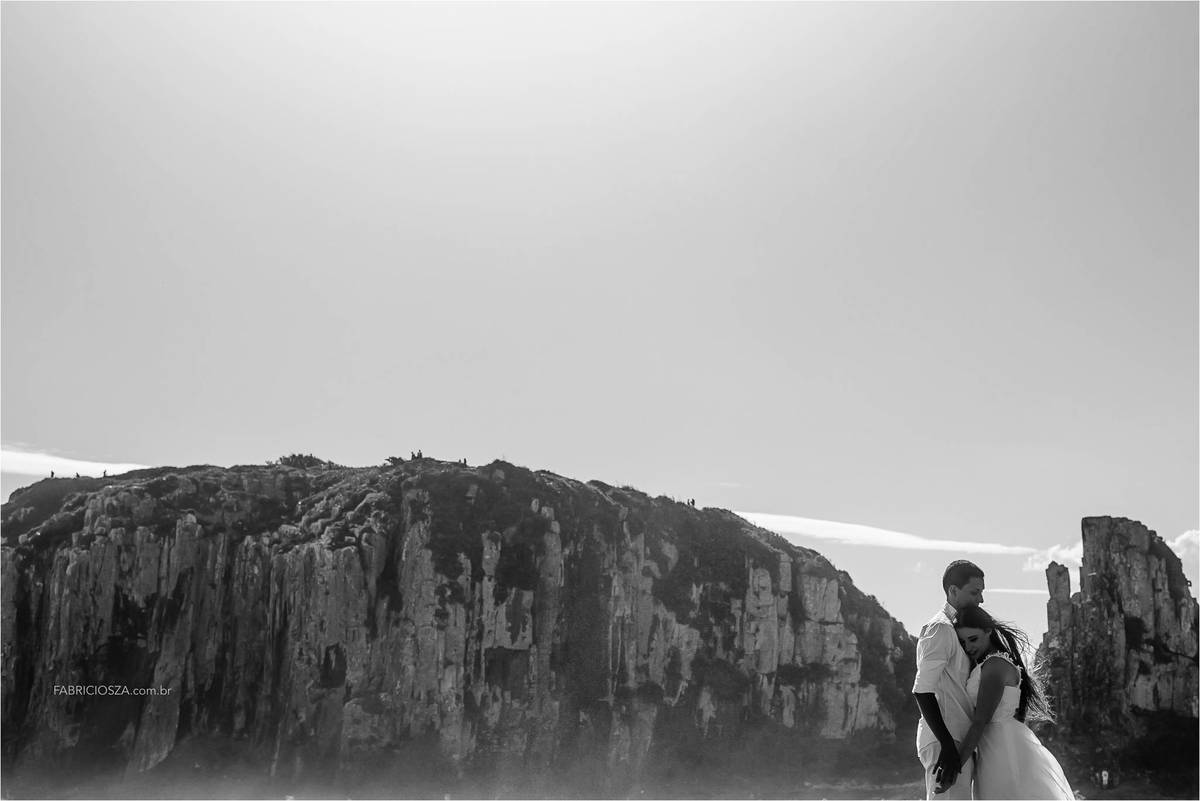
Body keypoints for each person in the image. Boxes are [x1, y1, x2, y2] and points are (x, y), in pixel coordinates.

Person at [953, 605, 1073, 799]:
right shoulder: (991, 663)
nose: (968, 647)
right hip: (997, 745)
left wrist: (954, 766)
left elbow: (980, 721)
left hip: (1001, 749)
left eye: (973, 639)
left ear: (988, 631)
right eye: (962, 642)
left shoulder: (994, 666)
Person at [913, 560, 985, 799]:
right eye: (975, 592)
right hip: (946, 740)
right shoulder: (940, 628)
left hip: (957, 739)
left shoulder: (958, 630)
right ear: (953, 591)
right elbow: (922, 690)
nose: (981, 600)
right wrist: (947, 746)